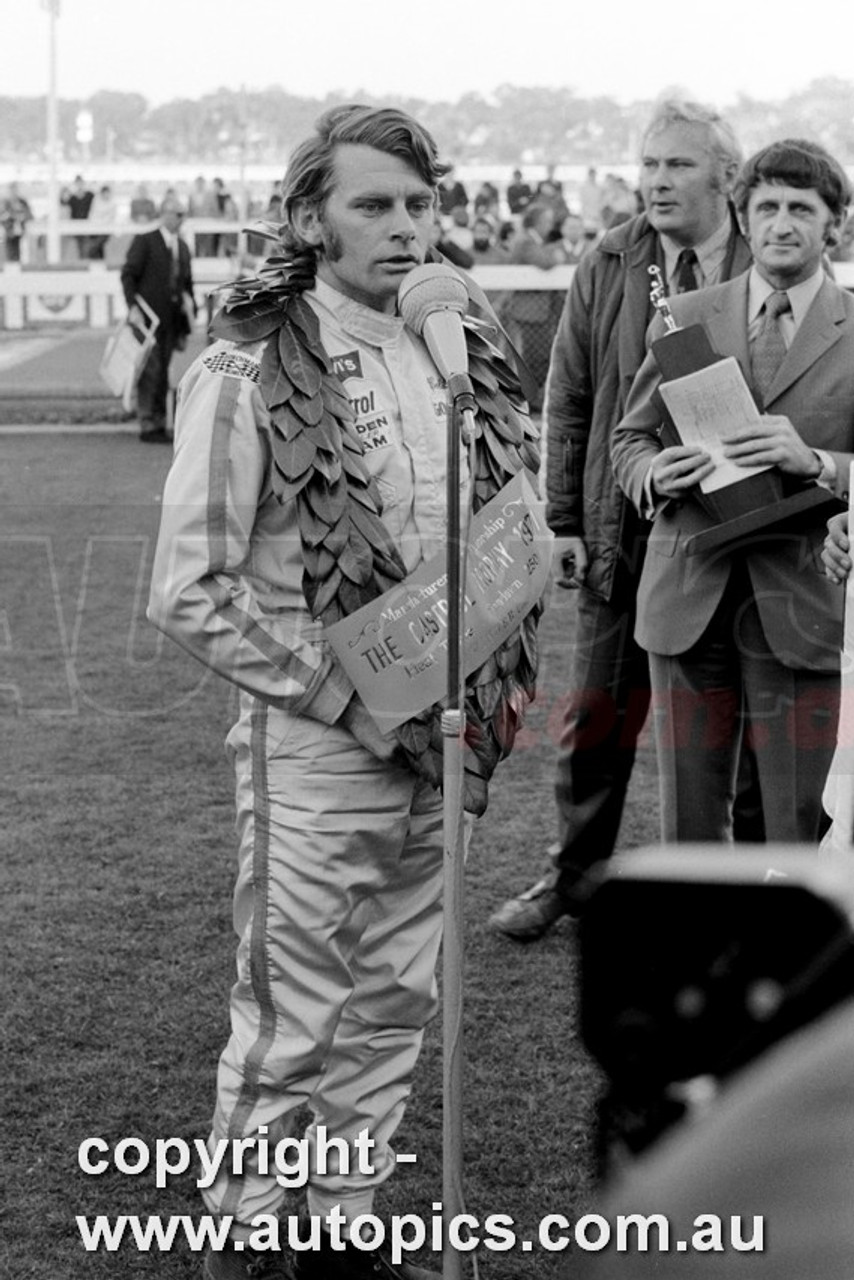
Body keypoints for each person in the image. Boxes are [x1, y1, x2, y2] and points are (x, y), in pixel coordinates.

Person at [146, 103, 540, 1280]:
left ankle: (345, 1232)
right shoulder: (244, 362)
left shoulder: (453, 340)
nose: (407, 227)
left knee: (393, 1002)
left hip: (441, 740)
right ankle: (247, 1241)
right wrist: (337, 695)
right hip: (319, 746)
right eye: (374, 204)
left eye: (420, 203)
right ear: (308, 216)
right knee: (293, 1009)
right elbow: (189, 588)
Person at [490, 99, 757, 942]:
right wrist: (563, 520)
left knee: (739, 728)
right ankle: (575, 879)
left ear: (727, 175)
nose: (656, 181)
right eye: (647, 165)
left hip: (735, 537)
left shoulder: (767, 260)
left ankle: (743, 889)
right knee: (596, 720)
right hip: (622, 530)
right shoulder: (608, 261)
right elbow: (567, 397)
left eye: (675, 164)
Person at [609, 137, 854, 846]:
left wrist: (819, 461)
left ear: (833, 224)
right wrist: (653, 473)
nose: (782, 222)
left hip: (805, 592)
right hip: (690, 584)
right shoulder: (684, 313)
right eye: (767, 205)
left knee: (798, 816)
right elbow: (630, 439)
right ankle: (698, 955)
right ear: (742, 218)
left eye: (802, 208)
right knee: (688, 815)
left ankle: (793, 954)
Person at [120, 194, 196, 443]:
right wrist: (132, 306)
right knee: (150, 371)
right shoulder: (146, 241)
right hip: (147, 319)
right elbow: (128, 275)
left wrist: (190, 310)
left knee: (163, 371)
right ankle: (148, 422)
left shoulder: (182, 247)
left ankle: (160, 421)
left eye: (183, 214)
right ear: (165, 214)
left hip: (172, 321)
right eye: (178, 214)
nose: (181, 219)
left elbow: (187, 284)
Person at [504, 202, 561, 412]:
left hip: (538, 312)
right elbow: (546, 262)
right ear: (536, 222)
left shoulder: (533, 241)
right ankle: (528, 401)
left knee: (539, 358)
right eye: (546, 221)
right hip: (528, 312)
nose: (550, 225)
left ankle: (532, 400)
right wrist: (555, 256)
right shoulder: (526, 242)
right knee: (531, 359)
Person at [1, 182, 33, 262]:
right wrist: (11, 216)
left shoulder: (22, 202)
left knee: (21, 252)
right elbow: (2, 216)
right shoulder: (5, 203)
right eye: (12, 190)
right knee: (10, 252)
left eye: (15, 189)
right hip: (9, 232)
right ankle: (11, 269)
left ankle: (18, 268)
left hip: (21, 232)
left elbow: (29, 215)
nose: (13, 192)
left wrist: (22, 217)